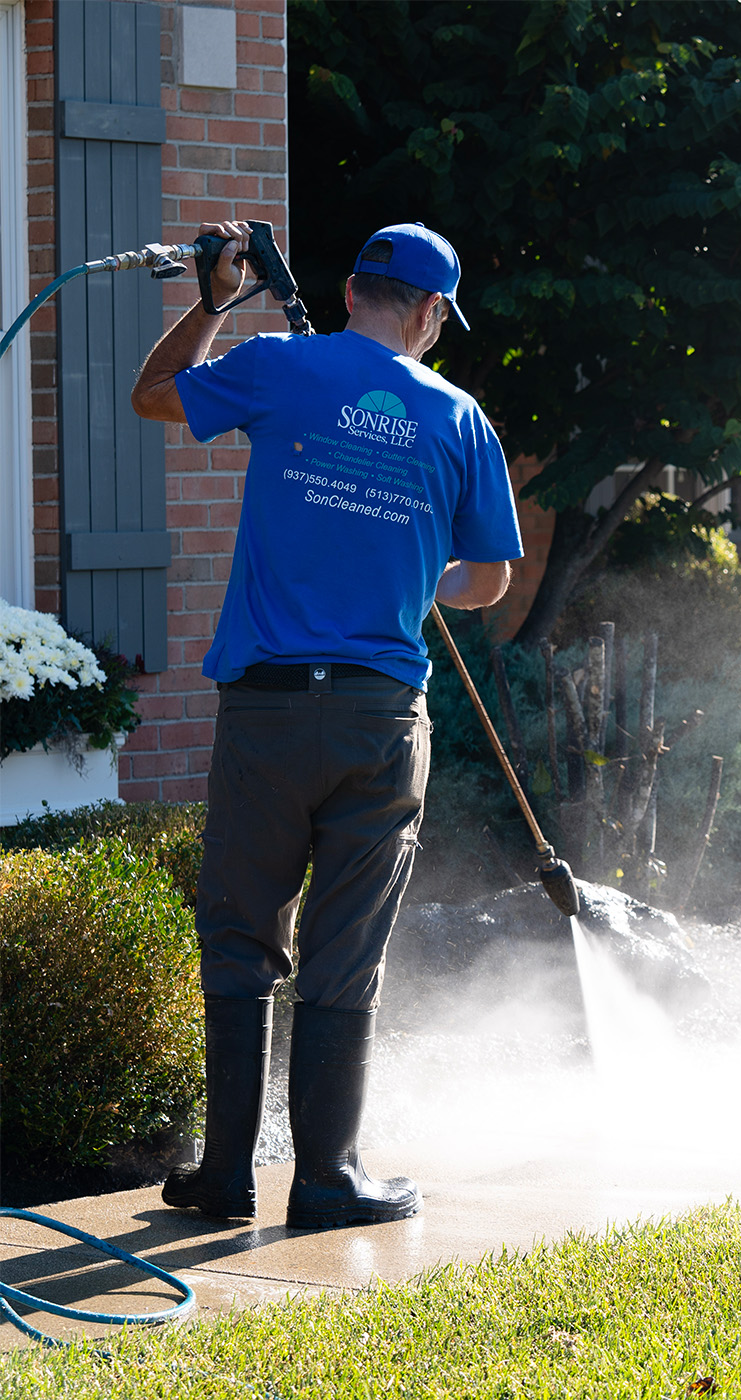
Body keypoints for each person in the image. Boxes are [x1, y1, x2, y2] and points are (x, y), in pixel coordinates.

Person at [131, 219, 523, 1229]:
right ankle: (325, 1177)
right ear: (432, 313)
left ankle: (223, 1174)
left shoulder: (276, 365)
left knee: (240, 934)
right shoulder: (460, 418)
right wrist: (412, 569)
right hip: (378, 718)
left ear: (350, 292)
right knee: (343, 946)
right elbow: (487, 579)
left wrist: (214, 304)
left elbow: (154, 395)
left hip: (264, 710)